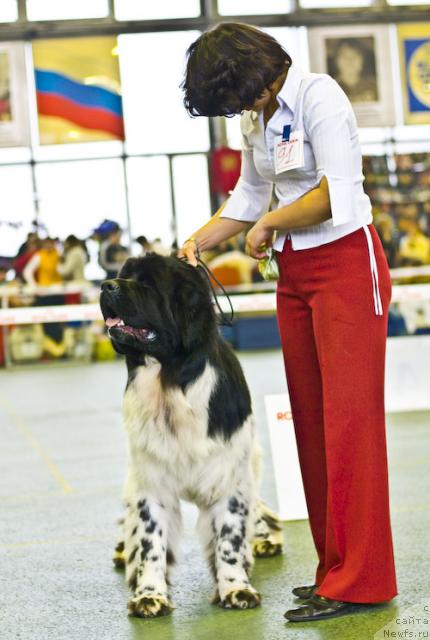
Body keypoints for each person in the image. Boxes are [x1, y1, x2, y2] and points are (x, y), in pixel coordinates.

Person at [179, 22, 397, 622]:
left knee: (351, 425)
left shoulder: (319, 95)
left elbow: (337, 195)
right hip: (295, 274)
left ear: (248, 72)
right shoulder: (258, 116)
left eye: (229, 96)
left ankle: (363, 579)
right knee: (313, 424)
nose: (232, 110)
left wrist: (270, 226)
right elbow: (251, 195)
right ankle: (335, 571)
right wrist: (200, 239)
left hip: (348, 263)